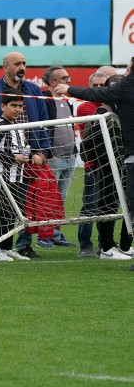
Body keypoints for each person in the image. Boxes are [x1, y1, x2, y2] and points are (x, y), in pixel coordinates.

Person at [56, 67, 134, 264]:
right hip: (105, 167)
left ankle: (124, 246)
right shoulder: (101, 111)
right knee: (101, 206)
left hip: (125, 164)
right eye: (102, 87)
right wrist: (97, 161)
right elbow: (88, 141)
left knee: (128, 207)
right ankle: (102, 246)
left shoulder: (123, 107)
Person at [0, 51, 50, 259]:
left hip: (24, 165)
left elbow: (43, 124)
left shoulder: (34, 90)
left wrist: (41, 151)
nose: (22, 67)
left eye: (25, 63)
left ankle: (9, 247)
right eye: (18, 63)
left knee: (16, 208)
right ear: (5, 67)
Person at [0, 89, 33, 262]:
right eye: (14, 106)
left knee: (12, 213)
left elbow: (21, 149)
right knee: (0, 212)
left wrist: (30, 156)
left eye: (20, 106)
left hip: (17, 177)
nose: (18, 109)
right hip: (0, 178)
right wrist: (12, 158)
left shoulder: (18, 126)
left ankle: (6, 247)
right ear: (3, 106)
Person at [39, 65, 76, 248]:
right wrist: (49, 154)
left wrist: (74, 152)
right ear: (52, 82)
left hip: (70, 158)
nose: (68, 81)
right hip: (54, 159)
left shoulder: (67, 101)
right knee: (47, 198)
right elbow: (42, 127)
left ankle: (56, 233)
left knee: (60, 199)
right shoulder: (44, 100)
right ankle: (43, 236)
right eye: (64, 78)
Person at [75, 70, 111, 257]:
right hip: (93, 164)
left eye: (102, 85)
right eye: (95, 85)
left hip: (112, 164)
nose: (98, 88)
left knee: (108, 207)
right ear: (89, 87)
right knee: (90, 206)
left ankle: (105, 245)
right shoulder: (86, 108)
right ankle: (85, 245)